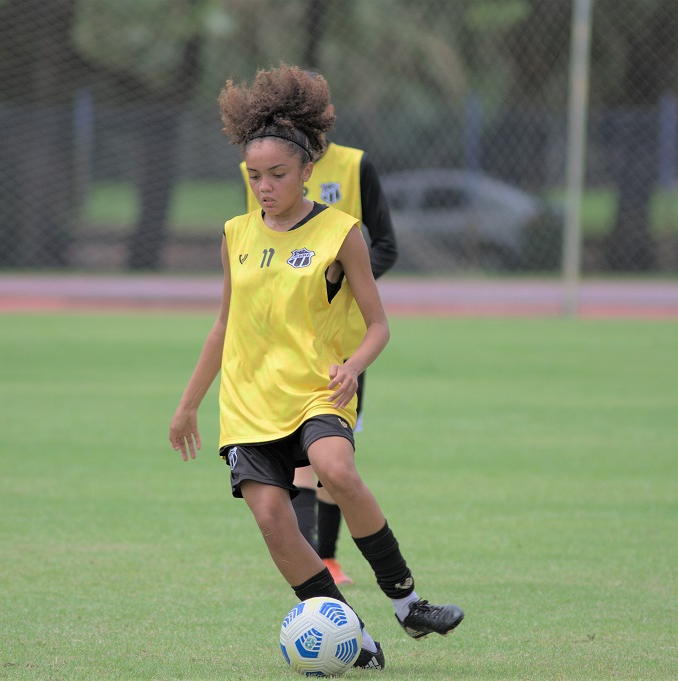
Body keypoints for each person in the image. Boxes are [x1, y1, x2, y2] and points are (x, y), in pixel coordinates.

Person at [169, 65, 463, 671]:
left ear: (308, 171)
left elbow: (379, 325)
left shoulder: (341, 233)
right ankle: (350, 638)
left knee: (336, 468)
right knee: (274, 521)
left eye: (277, 175)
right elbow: (223, 326)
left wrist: (353, 367)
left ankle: (408, 605)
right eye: (254, 176)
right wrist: (187, 405)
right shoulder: (235, 234)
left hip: (317, 390)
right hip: (249, 403)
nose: (264, 186)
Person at [237, 70, 398, 586]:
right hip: (277, 349)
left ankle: (331, 557)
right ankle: (319, 566)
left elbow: (386, 246)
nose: (265, 183)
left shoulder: (355, 166)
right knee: (302, 460)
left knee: (333, 462)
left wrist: (337, 282)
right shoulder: (265, 172)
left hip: (343, 343)